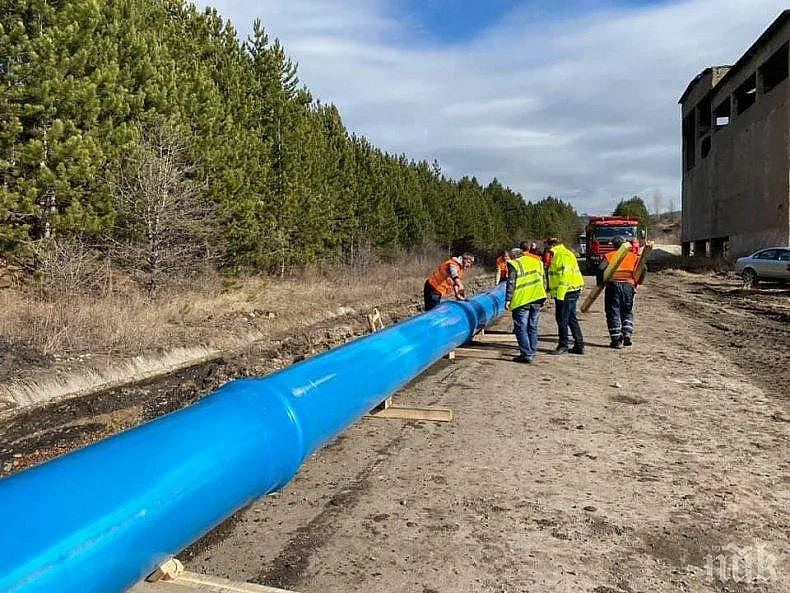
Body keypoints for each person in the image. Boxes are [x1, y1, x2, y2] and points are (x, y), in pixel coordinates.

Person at [598, 236, 641, 348]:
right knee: (627, 310)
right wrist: (638, 282)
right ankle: (627, 334)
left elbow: (601, 269)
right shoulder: (634, 257)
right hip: (628, 286)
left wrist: (600, 283)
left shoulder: (609, 256)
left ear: (613, 245)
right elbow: (643, 268)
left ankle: (616, 340)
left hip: (613, 286)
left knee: (613, 312)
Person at [505, 248, 547, 363]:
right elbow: (544, 280)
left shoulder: (514, 264)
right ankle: (532, 351)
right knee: (533, 326)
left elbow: (511, 282)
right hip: (538, 298)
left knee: (521, 328)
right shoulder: (537, 262)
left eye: (510, 257)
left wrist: (508, 299)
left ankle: (526, 354)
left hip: (522, 300)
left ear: (514, 256)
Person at [546, 238, 585, 354]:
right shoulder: (566, 253)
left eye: (548, 246)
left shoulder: (561, 256)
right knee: (571, 318)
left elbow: (564, 277)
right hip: (570, 290)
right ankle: (579, 345)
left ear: (553, 245)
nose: (547, 249)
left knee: (562, 319)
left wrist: (559, 296)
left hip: (566, 292)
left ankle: (563, 345)